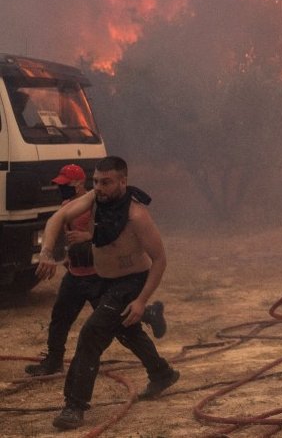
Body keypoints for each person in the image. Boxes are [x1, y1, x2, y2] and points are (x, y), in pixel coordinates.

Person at [36, 156, 178, 430]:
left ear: (123, 182)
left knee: (91, 334)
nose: (99, 187)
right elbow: (58, 217)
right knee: (126, 330)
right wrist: (45, 252)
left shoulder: (137, 216)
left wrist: (140, 301)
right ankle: (161, 373)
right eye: (96, 181)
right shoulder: (94, 198)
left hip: (131, 282)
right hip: (104, 280)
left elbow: (159, 259)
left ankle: (74, 405)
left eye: (106, 182)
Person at [25, 164, 167, 377]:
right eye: (59, 185)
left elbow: (115, 238)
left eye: (66, 185)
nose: (61, 188)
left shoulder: (99, 204)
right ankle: (54, 360)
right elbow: (60, 230)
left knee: (123, 329)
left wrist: (88, 237)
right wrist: (54, 258)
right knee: (60, 318)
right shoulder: (70, 205)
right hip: (75, 273)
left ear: (79, 184)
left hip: (97, 275)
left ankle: (158, 366)